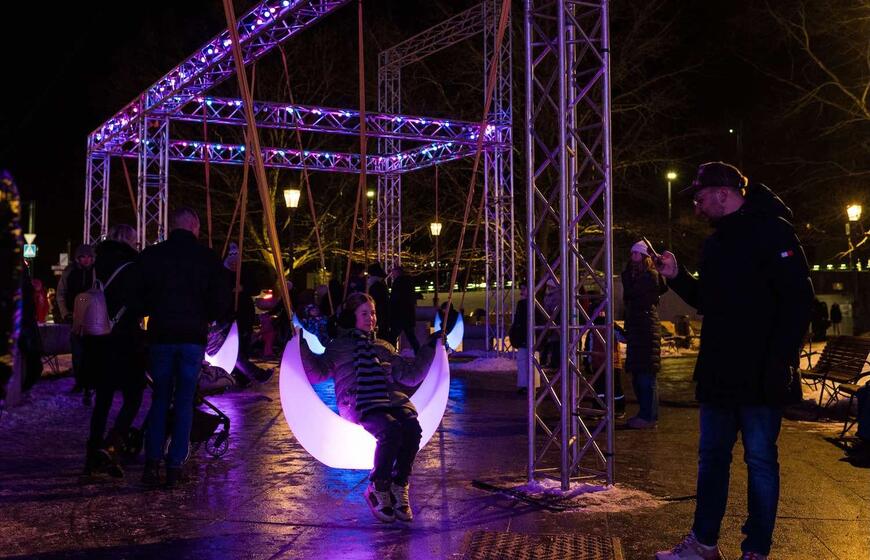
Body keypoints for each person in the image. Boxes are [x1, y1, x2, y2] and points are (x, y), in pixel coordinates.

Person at [654, 162, 813, 560]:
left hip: (761, 371)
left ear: (723, 193)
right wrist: (677, 276)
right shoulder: (718, 241)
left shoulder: (773, 231)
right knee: (714, 459)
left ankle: (756, 549)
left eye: (700, 197)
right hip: (721, 370)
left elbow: (798, 300)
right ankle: (704, 543)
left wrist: (780, 360)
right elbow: (710, 300)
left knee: (759, 461)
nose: (697, 206)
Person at [299, 292, 440, 523]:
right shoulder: (339, 347)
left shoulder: (383, 346)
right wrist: (300, 346)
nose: (370, 318)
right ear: (351, 317)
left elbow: (410, 376)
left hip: (389, 398)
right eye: (364, 313)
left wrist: (431, 348)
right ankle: (378, 486)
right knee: (391, 430)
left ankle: (399, 484)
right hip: (358, 401)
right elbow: (318, 373)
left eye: (372, 313)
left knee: (412, 428)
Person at [129, 207, 230, 487]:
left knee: (160, 397)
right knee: (185, 400)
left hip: (161, 334)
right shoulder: (207, 258)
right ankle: (175, 465)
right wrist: (206, 315)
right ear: (195, 226)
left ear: (171, 227)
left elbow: (137, 297)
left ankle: (152, 463)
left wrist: (153, 310)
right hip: (192, 336)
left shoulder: (152, 256)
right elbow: (220, 300)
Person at [83, 224, 145, 477]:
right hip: (125, 339)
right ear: (131, 241)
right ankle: (112, 445)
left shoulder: (96, 264)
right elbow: (139, 304)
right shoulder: (133, 266)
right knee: (134, 395)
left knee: (103, 400)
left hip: (98, 339)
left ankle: (92, 456)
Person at [622, 241, 668, 429]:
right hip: (638, 328)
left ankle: (648, 416)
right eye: (631, 253)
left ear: (645, 257)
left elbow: (632, 293)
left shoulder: (650, 276)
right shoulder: (636, 275)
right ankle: (646, 414)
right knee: (638, 374)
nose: (632, 257)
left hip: (646, 329)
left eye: (636, 253)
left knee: (646, 375)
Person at [56, 243, 95, 402]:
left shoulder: (96, 271)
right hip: (74, 318)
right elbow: (61, 293)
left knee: (92, 353)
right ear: (78, 258)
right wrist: (65, 313)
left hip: (93, 318)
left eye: (89, 257)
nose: (86, 260)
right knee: (78, 353)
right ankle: (80, 382)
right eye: (83, 257)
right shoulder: (70, 271)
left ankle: (90, 383)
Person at [508, 283, 540, 393]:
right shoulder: (524, 304)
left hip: (527, 337)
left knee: (528, 361)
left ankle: (528, 385)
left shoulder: (530, 304)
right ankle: (527, 384)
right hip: (525, 337)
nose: (521, 292)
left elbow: (520, 322)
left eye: (523, 289)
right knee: (525, 361)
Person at [388, 266, 419, 353]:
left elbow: (394, 299)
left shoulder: (398, 282)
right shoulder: (409, 282)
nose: (392, 275)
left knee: (393, 336)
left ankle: (391, 353)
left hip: (399, 315)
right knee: (411, 336)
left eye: (393, 273)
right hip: (408, 315)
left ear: (397, 273)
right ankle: (419, 353)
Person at [367, 262, 390, 340]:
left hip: (380, 313)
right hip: (382, 313)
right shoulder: (381, 284)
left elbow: (375, 300)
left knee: (381, 334)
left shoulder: (375, 285)